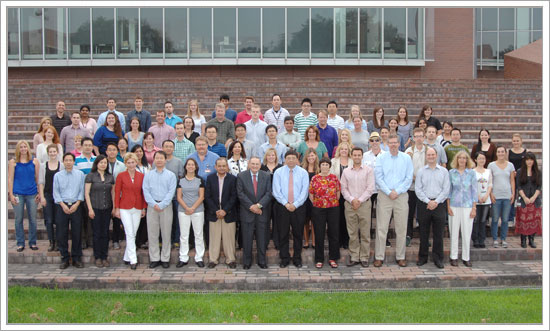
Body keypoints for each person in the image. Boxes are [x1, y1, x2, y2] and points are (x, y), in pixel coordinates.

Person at [373, 134, 413, 268]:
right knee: (381, 228)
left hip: (401, 196)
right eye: (391, 143)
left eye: (396, 142)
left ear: (399, 143)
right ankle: (379, 256)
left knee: (401, 228)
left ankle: (401, 256)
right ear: (387, 144)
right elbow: (378, 177)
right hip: (385, 195)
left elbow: (408, 178)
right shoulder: (381, 158)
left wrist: (398, 191)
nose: (394, 145)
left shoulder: (406, 158)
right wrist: (389, 192)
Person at [272, 150, 310, 268]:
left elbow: (305, 191)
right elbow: (276, 190)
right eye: (289, 158)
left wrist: (295, 204)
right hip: (283, 207)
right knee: (283, 233)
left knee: (298, 234)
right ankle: (285, 258)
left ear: (297, 159)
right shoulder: (278, 172)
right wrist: (286, 203)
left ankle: (297, 258)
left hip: (298, 207)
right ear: (285, 159)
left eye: (294, 158)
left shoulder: (303, 172)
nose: (291, 160)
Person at [414, 147, 450, 269]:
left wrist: (436, 201)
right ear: (426, 156)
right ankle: (423, 257)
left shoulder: (444, 171)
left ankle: (438, 258)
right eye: (428, 155)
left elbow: (446, 189)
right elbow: (418, 189)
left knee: (438, 233)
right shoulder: (421, 171)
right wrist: (428, 201)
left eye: (433, 154)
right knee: (423, 232)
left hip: (439, 204)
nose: (430, 157)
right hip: (424, 204)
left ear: (436, 156)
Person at [340, 147, 375, 267]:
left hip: (364, 204)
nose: (357, 157)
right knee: (352, 232)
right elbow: (343, 188)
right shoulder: (346, 171)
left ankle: (364, 257)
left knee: (365, 232)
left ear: (362, 156)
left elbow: (370, 188)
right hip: (350, 205)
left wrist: (359, 200)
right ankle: (354, 256)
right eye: (354, 155)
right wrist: (351, 199)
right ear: (351, 156)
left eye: (359, 155)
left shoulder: (368, 170)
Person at [143, 151, 177, 269]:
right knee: (152, 233)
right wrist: (153, 203)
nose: (159, 160)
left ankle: (165, 258)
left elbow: (171, 192)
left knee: (166, 233)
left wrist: (162, 204)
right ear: (154, 160)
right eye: (157, 158)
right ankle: (154, 258)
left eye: (161, 158)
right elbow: (145, 190)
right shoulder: (148, 175)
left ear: (165, 160)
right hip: (152, 207)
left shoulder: (171, 175)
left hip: (166, 206)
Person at [237, 157, 273, 269]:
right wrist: (251, 206)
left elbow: (269, 193)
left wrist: (258, 205)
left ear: (260, 165)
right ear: (249, 164)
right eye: (252, 164)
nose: (255, 166)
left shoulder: (266, 176)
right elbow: (240, 193)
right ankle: (247, 262)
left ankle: (262, 261)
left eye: (257, 164)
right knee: (247, 239)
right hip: (247, 212)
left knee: (262, 239)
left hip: (262, 212)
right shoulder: (241, 176)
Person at [114, 153, 147, 270]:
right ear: (125, 164)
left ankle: (127, 257)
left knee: (133, 232)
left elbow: (143, 193)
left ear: (136, 162)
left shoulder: (141, 176)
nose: (131, 164)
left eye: (133, 162)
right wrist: (116, 208)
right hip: (124, 207)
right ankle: (133, 259)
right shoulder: (121, 176)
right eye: (128, 162)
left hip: (137, 207)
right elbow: (117, 192)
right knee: (129, 232)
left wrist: (143, 207)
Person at [53, 152, 86, 269]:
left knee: (77, 232)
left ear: (73, 162)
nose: (68, 162)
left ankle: (76, 258)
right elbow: (56, 192)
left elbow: (82, 190)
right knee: (62, 233)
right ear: (63, 162)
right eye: (66, 160)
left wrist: (77, 204)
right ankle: (65, 258)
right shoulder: (57, 176)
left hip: (76, 206)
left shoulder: (80, 174)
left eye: (70, 160)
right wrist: (63, 205)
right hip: (62, 206)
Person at [204, 158, 238, 268]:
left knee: (229, 238)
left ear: (227, 167)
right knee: (214, 237)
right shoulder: (210, 178)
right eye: (219, 166)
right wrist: (216, 210)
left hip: (229, 212)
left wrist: (225, 210)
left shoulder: (233, 179)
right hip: (214, 213)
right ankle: (213, 260)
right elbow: (207, 196)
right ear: (215, 167)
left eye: (224, 166)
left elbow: (234, 196)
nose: (222, 168)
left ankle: (231, 259)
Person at [8, 141, 40, 252]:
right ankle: (20, 243)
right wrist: (11, 194)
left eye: (25, 146)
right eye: (20, 147)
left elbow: (37, 178)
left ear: (28, 148)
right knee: (18, 219)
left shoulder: (34, 161)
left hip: (32, 193)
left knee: (33, 219)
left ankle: (32, 242)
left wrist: (40, 193)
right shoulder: (13, 162)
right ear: (18, 149)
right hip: (18, 193)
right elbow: (10, 179)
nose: (23, 148)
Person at [447, 150, 477, 267]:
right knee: (454, 232)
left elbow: (474, 191)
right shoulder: (451, 173)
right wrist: (448, 206)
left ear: (467, 160)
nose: (462, 160)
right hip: (454, 205)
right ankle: (453, 257)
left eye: (464, 158)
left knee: (466, 232)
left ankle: (466, 257)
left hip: (467, 206)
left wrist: (474, 208)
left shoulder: (471, 173)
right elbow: (449, 191)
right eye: (460, 158)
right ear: (457, 159)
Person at [309, 157, 341, 268]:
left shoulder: (334, 178)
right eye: (323, 164)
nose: (325, 167)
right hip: (318, 209)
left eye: (327, 165)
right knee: (319, 233)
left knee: (334, 233)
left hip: (333, 208)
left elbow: (338, 193)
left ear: (329, 166)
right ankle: (319, 259)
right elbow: (311, 194)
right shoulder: (315, 178)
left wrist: (332, 202)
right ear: (319, 166)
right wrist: (318, 204)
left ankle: (333, 258)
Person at [84, 155, 115, 268]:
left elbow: (113, 193)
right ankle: (97, 257)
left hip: (107, 208)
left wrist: (114, 207)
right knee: (96, 233)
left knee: (105, 233)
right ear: (96, 163)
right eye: (101, 162)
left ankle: (104, 256)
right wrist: (90, 209)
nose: (103, 164)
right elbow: (87, 193)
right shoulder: (90, 176)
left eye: (105, 163)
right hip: (95, 208)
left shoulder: (110, 177)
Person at [176, 158, 206, 268]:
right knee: (184, 235)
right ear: (185, 167)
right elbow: (179, 197)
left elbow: (201, 196)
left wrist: (193, 208)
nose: (190, 166)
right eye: (188, 165)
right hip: (183, 211)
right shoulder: (181, 180)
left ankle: (199, 257)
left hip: (197, 210)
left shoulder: (200, 180)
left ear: (196, 167)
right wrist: (187, 208)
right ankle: (183, 257)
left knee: (198, 234)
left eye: (192, 165)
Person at [156, 140, 185, 250]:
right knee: (162, 220)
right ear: (162, 148)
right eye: (166, 146)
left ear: (173, 148)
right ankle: (161, 240)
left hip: (175, 196)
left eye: (170, 146)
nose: (168, 148)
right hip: (161, 197)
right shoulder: (158, 161)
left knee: (176, 220)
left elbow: (181, 178)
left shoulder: (178, 162)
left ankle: (176, 240)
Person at [362, 132, 389, 247]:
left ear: (380, 141)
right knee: (367, 215)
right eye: (372, 140)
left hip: (381, 190)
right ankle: (367, 237)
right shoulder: (365, 156)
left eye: (377, 140)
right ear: (369, 142)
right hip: (369, 190)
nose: (374, 143)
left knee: (382, 215)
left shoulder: (386, 155)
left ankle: (383, 238)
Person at [38, 144, 65, 251]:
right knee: (49, 220)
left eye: (54, 151)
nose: (52, 153)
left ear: (57, 153)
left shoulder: (61, 165)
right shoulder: (43, 165)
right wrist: (42, 197)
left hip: (59, 196)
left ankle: (58, 241)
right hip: (48, 195)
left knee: (59, 220)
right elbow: (40, 182)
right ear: (48, 153)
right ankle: (51, 241)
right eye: (51, 152)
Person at [488, 146, 515, 248]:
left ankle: (503, 239)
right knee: (495, 219)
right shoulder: (491, 165)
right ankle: (495, 239)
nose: (500, 153)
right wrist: (491, 194)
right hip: (496, 195)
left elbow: (512, 180)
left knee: (505, 219)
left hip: (507, 195)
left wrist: (513, 194)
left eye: (502, 152)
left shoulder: (510, 165)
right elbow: (490, 181)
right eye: (498, 152)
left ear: (505, 153)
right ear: (496, 153)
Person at [404, 128, 427, 247]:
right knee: (409, 213)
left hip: (424, 188)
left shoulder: (428, 151)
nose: (418, 138)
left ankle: (424, 238)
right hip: (411, 187)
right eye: (416, 136)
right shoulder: (409, 151)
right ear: (413, 138)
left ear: (424, 137)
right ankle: (408, 235)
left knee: (423, 214)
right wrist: (412, 177)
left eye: (421, 136)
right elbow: (405, 168)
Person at [515, 152, 541, 249]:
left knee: (533, 220)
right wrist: (525, 197)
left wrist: (534, 197)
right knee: (523, 220)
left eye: (531, 159)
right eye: (527, 159)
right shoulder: (520, 171)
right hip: (523, 200)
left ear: (534, 161)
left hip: (535, 200)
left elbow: (540, 186)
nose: (529, 162)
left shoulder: (538, 172)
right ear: (525, 161)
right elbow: (519, 186)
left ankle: (531, 239)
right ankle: (523, 240)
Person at [330, 141, 352, 250]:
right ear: (339, 150)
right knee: (338, 218)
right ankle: (338, 240)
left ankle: (346, 240)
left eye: (346, 149)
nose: (344, 151)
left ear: (349, 151)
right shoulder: (333, 161)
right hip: (337, 194)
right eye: (342, 149)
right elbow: (330, 177)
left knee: (347, 217)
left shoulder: (353, 161)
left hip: (349, 193)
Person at [105, 143, 127, 250]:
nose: (112, 152)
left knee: (117, 219)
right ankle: (105, 240)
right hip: (105, 195)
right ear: (106, 152)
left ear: (117, 152)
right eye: (110, 150)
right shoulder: (103, 163)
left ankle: (116, 240)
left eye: (114, 150)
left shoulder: (122, 165)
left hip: (119, 194)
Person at [261, 148, 283, 250]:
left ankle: (277, 243)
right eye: (269, 155)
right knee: (265, 221)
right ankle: (264, 243)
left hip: (277, 199)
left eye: (273, 155)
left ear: (276, 156)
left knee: (277, 221)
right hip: (265, 199)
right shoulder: (262, 168)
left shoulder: (280, 168)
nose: (271, 157)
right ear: (266, 157)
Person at [130, 145, 150, 250]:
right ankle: (135, 241)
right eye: (136, 151)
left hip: (145, 195)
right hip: (135, 195)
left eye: (140, 151)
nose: (139, 153)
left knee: (144, 219)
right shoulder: (131, 166)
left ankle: (142, 240)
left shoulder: (147, 166)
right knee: (135, 220)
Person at [472, 152, 493, 249]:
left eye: (483, 158)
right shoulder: (472, 171)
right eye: (479, 158)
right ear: (475, 160)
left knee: (483, 220)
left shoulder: (488, 171)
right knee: (475, 220)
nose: (481, 160)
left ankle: (482, 240)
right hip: (475, 199)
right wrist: (478, 196)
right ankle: (475, 239)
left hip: (486, 200)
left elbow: (490, 185)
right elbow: (472, 186)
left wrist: (486, 195)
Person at [301, 148, 319, 250]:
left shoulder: (319, 169)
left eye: (312, 155)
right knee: (305, 220)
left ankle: (314, 240)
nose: (311, 158)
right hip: (304, 198)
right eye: (309, 156)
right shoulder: (302, 169)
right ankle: (307, 241)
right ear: (306, 157)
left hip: (316, 198)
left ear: (316, 156)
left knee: (315, 220)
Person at [507, 133, 527, 227]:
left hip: (523, 177)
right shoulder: (509, 152)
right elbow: (507, 164)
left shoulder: (525, 152)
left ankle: (524, 217)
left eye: (517, 141)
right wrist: (512, 173)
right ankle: (511, 218)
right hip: (512, 177)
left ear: (521, 141)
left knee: (523, 197)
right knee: (512, 197)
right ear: (512, 141)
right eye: (514, 141)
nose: (516, 142)